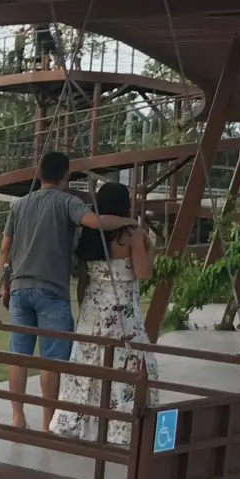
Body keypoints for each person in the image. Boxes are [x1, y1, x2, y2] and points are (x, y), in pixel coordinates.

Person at [0, 151, 138, 431]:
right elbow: (94, 223)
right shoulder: (67, 202)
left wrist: (5, 283)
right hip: (51, 290)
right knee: (51, 360)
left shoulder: (20, 205)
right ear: (65, 175)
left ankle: (17, 416)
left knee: (18, 355)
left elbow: (4, 248)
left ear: (38, 175)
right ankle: (48, 421)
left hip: (19, 288)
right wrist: (126, 222)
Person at [49, 182, 158, 444]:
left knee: (88, 365)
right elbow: (143, 273)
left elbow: (84, 281)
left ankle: (78, 423)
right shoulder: (132, 235)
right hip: (122, 312)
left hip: (92, 308)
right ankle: (121, 429)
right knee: (129, 364)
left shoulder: (89, 235)